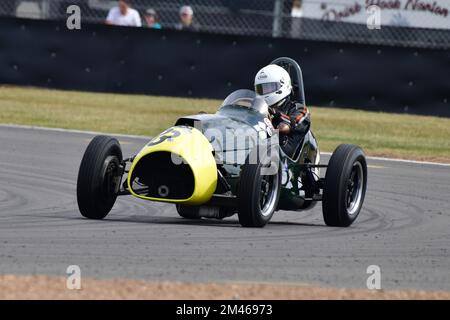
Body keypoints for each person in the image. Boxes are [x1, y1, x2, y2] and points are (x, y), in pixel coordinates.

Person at [254, 64, 311, 158]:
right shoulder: (258, 108)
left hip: (283, 158)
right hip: (255, 154)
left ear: (283, 85)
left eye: (268, 88)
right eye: (261, 89)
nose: (265, 92)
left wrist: (276, 114)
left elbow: (286, 126)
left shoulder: (299, 109)